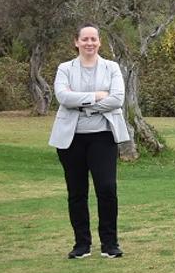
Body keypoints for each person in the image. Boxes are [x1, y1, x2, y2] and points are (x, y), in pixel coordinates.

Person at [50, 24, 133, 259]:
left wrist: (81, 104)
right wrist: (97, 96)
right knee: (77, 192)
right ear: (76, 42)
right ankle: (82, 245)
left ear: (99, 42)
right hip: (71, 139)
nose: (89, 43)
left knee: (107, 189)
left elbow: (117, 99)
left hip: (103, 136)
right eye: (84, 39)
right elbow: (63, 97)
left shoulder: (112, 67)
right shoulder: (65, 68)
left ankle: (110, 244)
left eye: (93, 39)